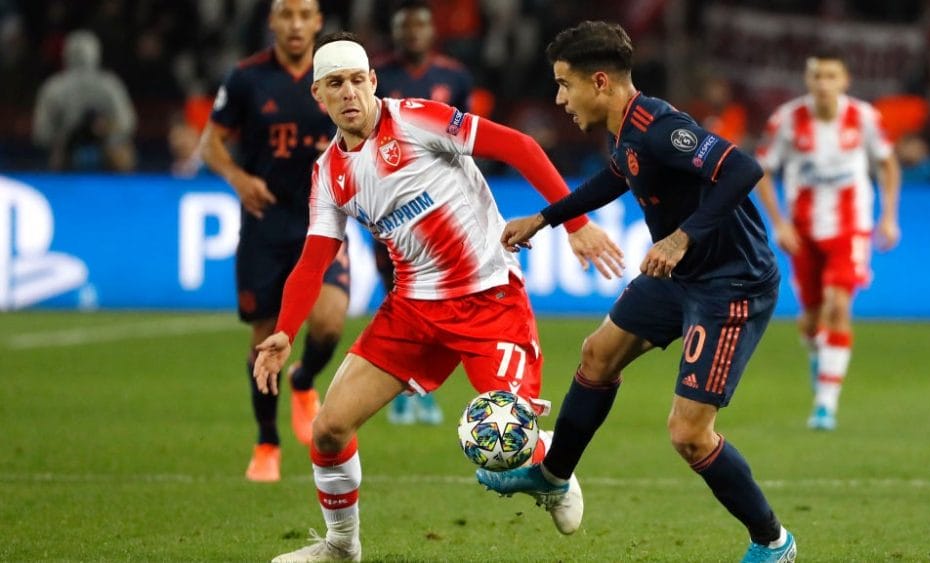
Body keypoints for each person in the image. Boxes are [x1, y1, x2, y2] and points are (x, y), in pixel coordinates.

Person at [252, 31, 624, 561]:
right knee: (329, 429)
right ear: (319, 96)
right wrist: (284, 330)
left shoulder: (418, 118)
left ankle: (554, 471)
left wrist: (575, 223)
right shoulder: (329, 175)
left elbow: (519, 146)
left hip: (489, 299)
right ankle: (340, 546)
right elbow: (314, 259)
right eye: (336, 84)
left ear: (374, 82)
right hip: (413, 311)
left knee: (506, 442)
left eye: (359, 80)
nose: (351, 92)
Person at [476, 21, 797, 563]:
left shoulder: (660, 126)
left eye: (564, 84)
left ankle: (773, 541)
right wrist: (548, 218)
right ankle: (554, 477)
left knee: (689, 434)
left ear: (599, 82)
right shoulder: (624, 130)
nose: (559, 99)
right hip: (681, 276)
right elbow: (617, 175)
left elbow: (743, 168)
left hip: (730, 284)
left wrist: (681, 237)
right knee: (597, 354)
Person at [199, 0, 351, 482]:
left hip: (322, 219)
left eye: (305, 14)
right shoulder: (247, 78)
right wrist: (239, 179)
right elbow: (210, 143)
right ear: (272, 20)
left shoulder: (337, 74)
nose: (295, 24)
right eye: (286, 14)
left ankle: (304, 380)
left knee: (329, 321)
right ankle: (267, 443)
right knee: (264, 338)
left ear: (318, 21)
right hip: (265, 224)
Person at [754, 50, 901, 431]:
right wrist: (779, 224)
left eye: (831, 76)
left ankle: (825, 404)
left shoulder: (865, 118)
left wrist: (888, 217)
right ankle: (820, 354)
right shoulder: (787, 120)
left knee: (839, 305)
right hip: (803, 232)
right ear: (809, 81)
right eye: (817, 76)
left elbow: (887, 164)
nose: (823, 83)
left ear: (844, 81)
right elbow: (761, 172)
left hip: (851, 226)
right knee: (811, 318)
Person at [372, 0, 475, 427]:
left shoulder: (454, 76)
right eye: (405, 27)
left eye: (419, 27)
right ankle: (400, 390)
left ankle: (424, 390)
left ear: (432, 33)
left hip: (443, 208)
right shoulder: (378, 77)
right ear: (395, 33)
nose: (412, 34)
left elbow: (469, 137)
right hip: (393, 205)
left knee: (443, 300)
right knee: (398, 296)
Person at [32, 29, 136, 172]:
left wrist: (105, 129)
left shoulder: (110, 86)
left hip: (107, 150)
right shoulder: (54, 88)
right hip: (66, 152)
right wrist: (66, 134)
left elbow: (126, 124)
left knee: (122, 150)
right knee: (58, 152)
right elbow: (42, 133)